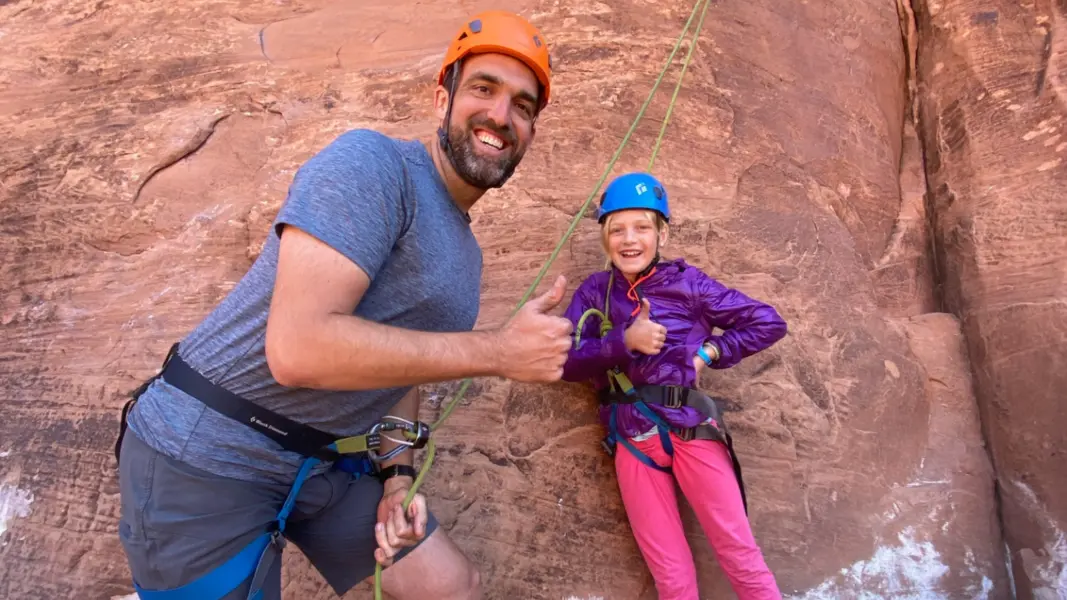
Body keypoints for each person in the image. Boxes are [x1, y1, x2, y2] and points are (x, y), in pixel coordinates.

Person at [114, 10, 574, 600]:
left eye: (524, 106)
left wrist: (396, 477)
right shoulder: (373, 168)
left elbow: (406, 364)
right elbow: (297, 349)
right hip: (205, 453)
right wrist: (498, 351)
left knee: (452, 587)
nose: (501, 116)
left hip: (312, 466)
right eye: (483, 89)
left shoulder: (466, 256)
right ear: (443, 99)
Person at [560, 172, 787, 600]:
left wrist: (708, 354)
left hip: (690, 428)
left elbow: (767, 322)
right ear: (605, 237)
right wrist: (622, 342)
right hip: (631, 439)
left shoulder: (689, 284)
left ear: (661, 232)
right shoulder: (595, 292)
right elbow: (565, 361)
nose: (630, 239)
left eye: (643, 227)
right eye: (617, 229)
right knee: (672, 576)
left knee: (740, 555)